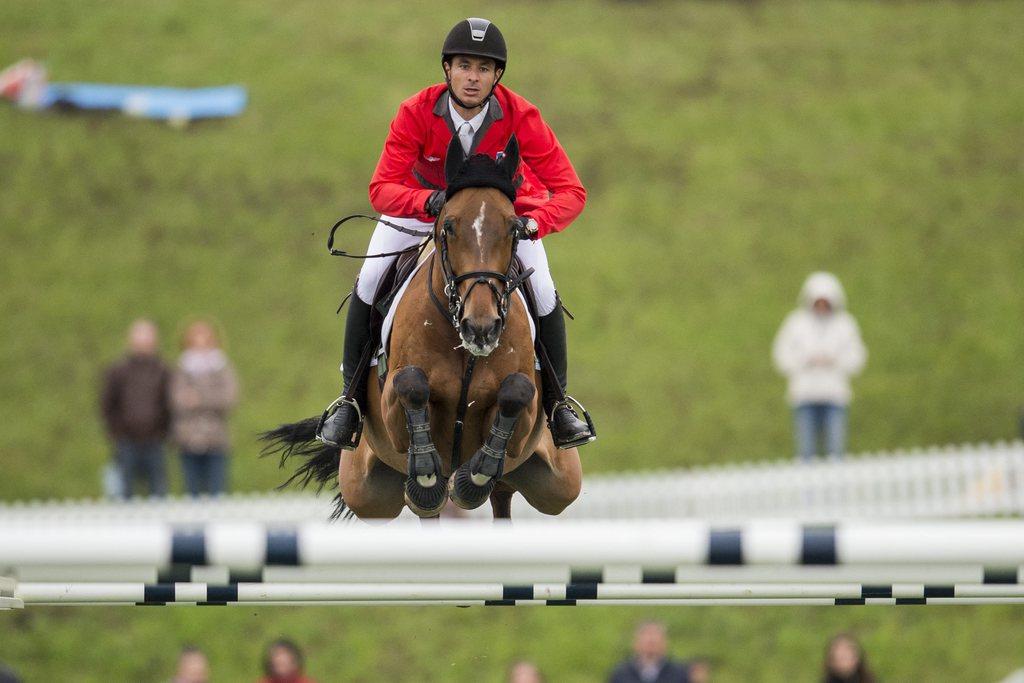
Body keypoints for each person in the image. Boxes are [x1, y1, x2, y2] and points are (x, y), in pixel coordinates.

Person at [318, 17, 595, 452]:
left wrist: (534, 222)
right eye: (464, 65)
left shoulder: (521, 116)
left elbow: (571, 191)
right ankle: (350, 402)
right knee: (369, 283)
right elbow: (381, 187)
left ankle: (560, 407)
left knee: (542, 289)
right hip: (425, 214)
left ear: (496, 76)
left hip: (500, 222)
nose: (473, 77)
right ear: (447, 68)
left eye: (483, 69)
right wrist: (426, 202)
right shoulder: (416, 111)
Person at [772, 272, 867, 461]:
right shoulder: (796, 323)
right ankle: (808, 491)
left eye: (826, 303)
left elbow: (857, 357)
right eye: (818, 303)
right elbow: (781, 355)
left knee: (836, 450)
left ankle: (837, 489)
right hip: (804, 395)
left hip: (834, 395)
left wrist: (834, 361)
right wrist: (806, 361)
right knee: (806, 452)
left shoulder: (845, 324)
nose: (822, 308)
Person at [100, 319, 172, 497]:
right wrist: (117, 432)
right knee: (125, 492)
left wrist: (164, 430)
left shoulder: (163, 370)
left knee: (158, 491)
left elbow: (169, 403)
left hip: (155, 440)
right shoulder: (118, 370)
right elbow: (108, 404)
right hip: (126, 440)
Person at [170, 320, 238, 497]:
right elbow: (177, 399)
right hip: (188, 438)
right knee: (191, 492)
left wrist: (199, 399)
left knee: (217, 491)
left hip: (215, 438)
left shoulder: (221, 367)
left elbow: (229, 398)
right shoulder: (182, 367)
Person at [608, 621, 689, 683]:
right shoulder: (620, 674)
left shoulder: (679, 673)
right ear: (635, 643)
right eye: (647, 640)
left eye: (655, 640)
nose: (651, 643)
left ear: (665, 643)